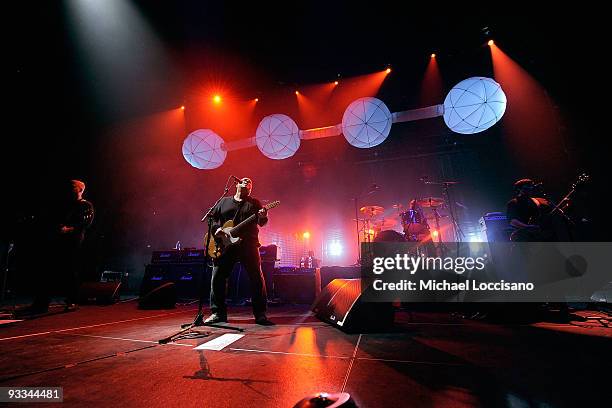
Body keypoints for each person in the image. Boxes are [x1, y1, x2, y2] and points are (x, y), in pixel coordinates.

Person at [204, 177, 274, 325]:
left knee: (256, 278)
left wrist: (264, 216)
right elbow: (213, 220)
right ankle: (218, 313)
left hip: (248, 245)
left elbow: (262, 222)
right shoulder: (223, 202)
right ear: (236, 184)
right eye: (244, 180)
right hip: (225, 245)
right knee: (217, 277)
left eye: (250, 183)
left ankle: (260, 314)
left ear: (250, 189)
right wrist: (217, 230)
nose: (247, 182)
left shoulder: (254, 203)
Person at [30, 179, 94, 313]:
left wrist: (68, 229)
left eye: (73, 187)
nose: (69, 189)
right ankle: (41, 303)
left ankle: (73, 301)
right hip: (57, 241)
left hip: (73, 243)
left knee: (71, 271)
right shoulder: (64, 205)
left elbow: (84, 224)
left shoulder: (85, 205)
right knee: (48, 271)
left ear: (80, 190)